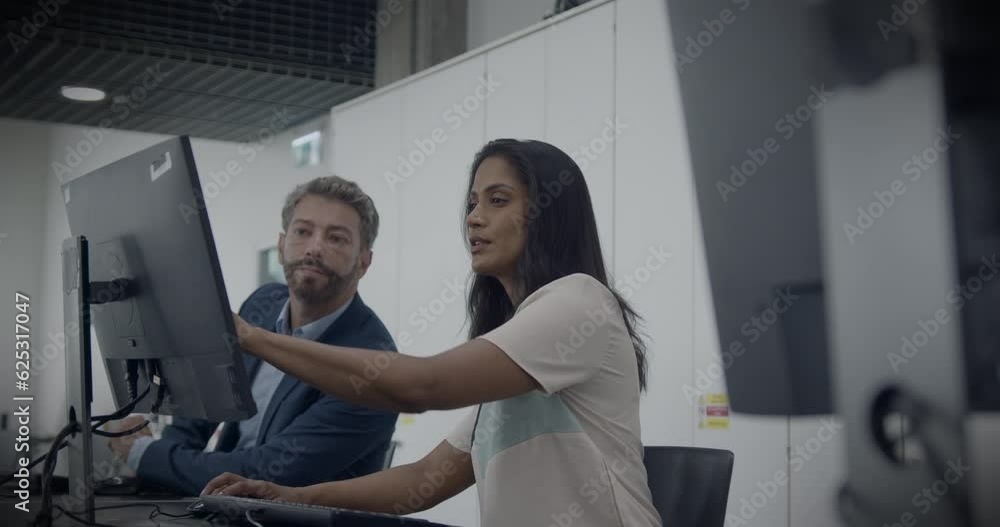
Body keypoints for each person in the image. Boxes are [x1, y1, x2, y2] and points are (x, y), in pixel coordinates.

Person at [203, 139, 662, 527]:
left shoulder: (578, 301)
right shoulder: (521, 349)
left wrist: (251, 337)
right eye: (472, 203)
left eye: (497, 201)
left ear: (549, 214)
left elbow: (422, 386)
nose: (473, 218)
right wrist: (286, 497)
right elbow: (424, 479)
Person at [106, 176, 399, 496]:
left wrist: (144, 453)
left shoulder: (373, 366)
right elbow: (205, 408)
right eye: (303, 232)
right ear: (281, 245)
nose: (314, 248)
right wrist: (161, 475)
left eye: (336, 238)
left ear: (364, 262)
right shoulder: (263, 304)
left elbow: (261, 474)